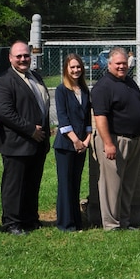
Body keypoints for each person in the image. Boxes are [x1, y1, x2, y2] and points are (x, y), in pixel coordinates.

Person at [0, 41, 51, 235]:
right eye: (18, 56)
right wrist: (29, 129)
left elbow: (42, 105)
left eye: (26, 55)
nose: (23, 59)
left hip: (38, 143)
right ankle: (12, 223)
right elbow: (4, 112)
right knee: (14, 186)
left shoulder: (35, 77)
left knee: (32, 183)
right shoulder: (4, 82)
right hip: (16, 143)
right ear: (10, 58)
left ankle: (30, 219)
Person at [92, 47, 140, 230]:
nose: (121, 67)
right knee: (111, 187)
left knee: (127, 186)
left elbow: (139, 109)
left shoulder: (130, 83)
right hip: (115, 141)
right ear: (109, 65)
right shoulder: (103, 87)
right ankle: (111, 224)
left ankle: (124, 222)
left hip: (135, 141)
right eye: (118, 64)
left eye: (124, 63)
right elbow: (100, 117)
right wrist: (108, 143)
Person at [54, 54, 92, 232]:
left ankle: (77, 222)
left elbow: (87, 119)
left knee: (75, 183)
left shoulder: (85, 90)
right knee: (65, 184)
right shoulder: (61, 90)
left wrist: (87, 140)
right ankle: (65, 224)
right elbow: (62, 118)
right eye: (72, 67)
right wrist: (76, 140)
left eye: (78, 67)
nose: (76, 70)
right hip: (65, 145)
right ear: (66, 70)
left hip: (82, 145)